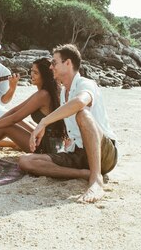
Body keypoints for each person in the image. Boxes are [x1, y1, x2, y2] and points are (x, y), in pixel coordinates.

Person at [19, 44, 118, 204]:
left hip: (104, 152)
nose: (51, 67)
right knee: (26, 161)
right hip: (78, 153)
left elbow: (80, 102)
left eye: (54, 63)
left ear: (68, 63)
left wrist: (43, 122)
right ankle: (83, 174)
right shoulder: (64, 93)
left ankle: (96, 179)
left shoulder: (86, 84)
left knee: (83, 113)